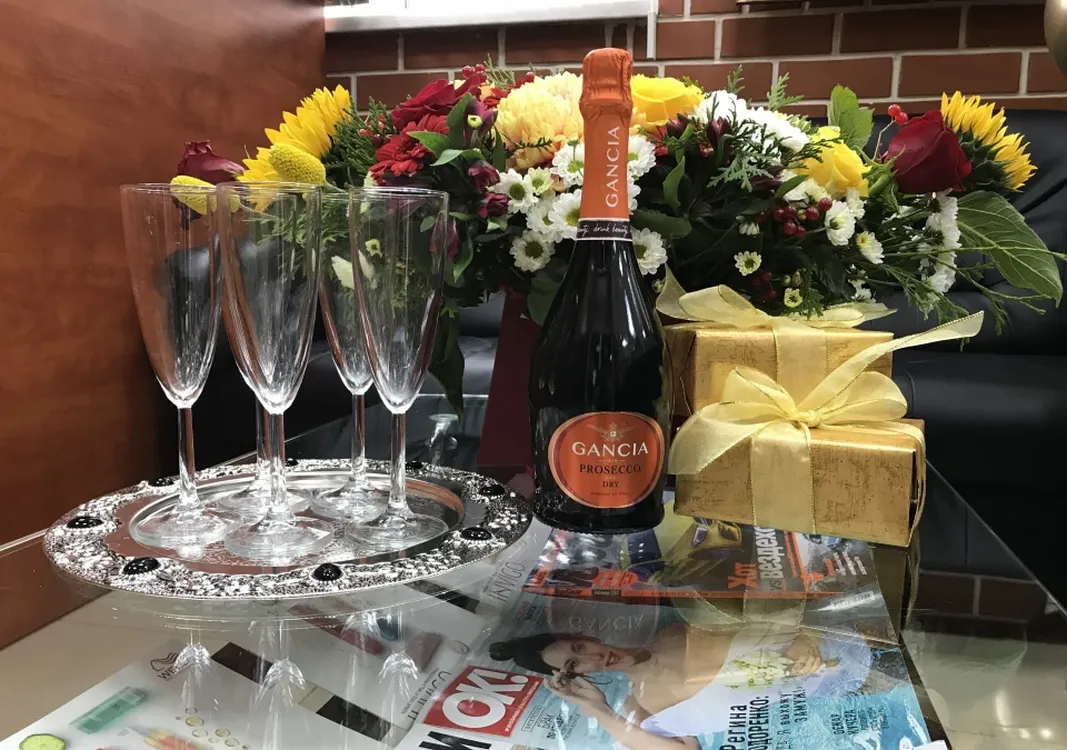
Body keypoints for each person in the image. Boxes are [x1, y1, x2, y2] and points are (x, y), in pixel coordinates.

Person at [489, 622, 870, 750]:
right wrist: (597, 709)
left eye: (579, 649)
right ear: (576, 676)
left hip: (857, 640)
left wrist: (805, 639)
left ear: (586, 636)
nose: (593, 659)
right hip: (854, 708)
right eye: (575, 666)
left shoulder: (673, 631)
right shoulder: (641, 707)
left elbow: (774, 618)